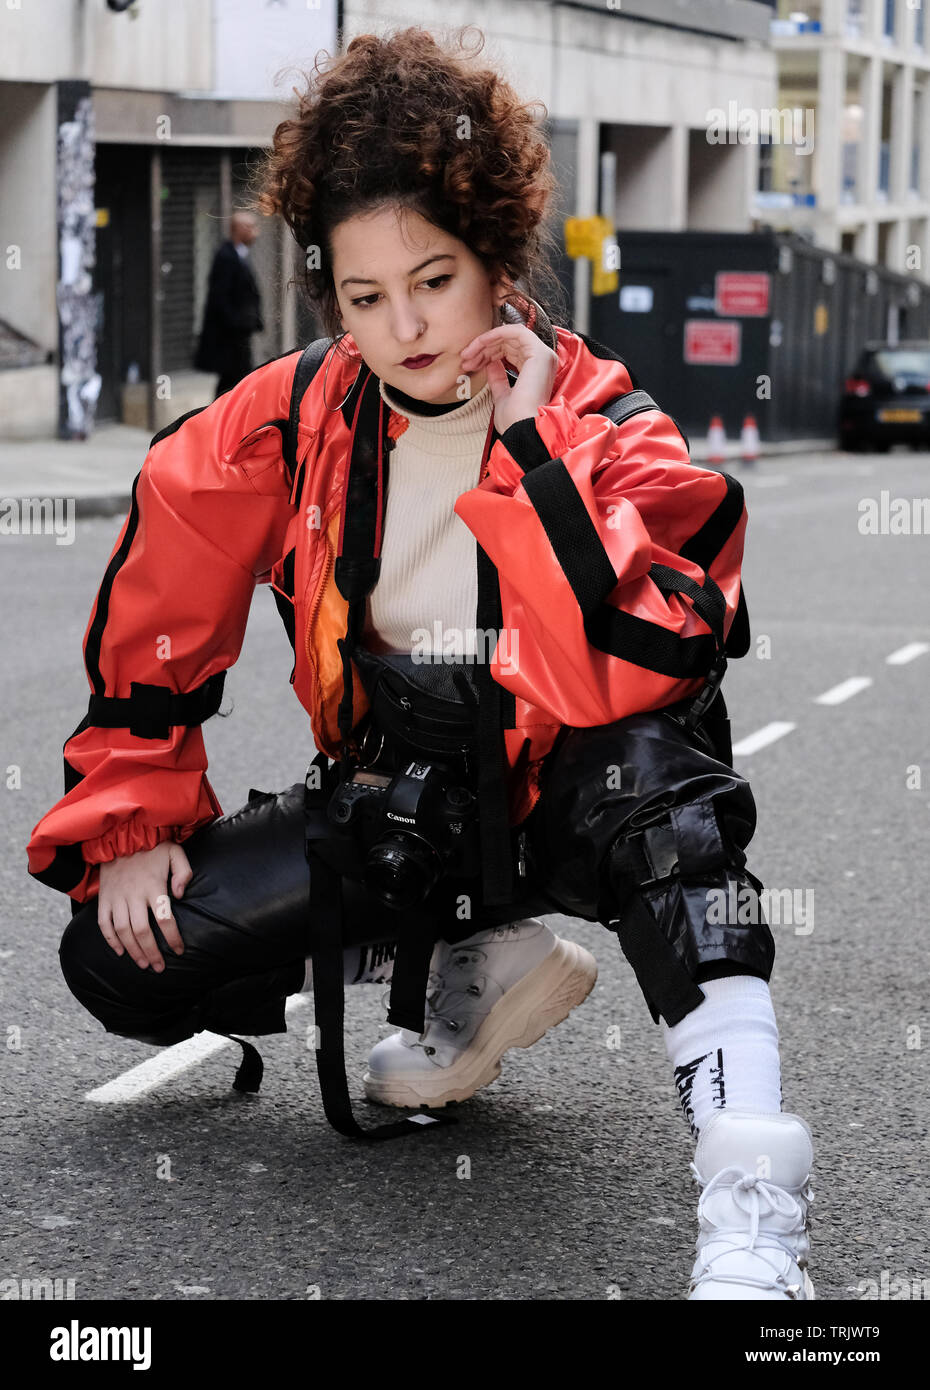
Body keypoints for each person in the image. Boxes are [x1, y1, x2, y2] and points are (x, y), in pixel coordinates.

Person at [27, 26, 814, 1300]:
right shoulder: (288, 415)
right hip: (408, 808)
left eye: (435, 281)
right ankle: (459, 958)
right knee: (117, 957)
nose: (404, 328)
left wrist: (535, 458)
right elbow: (167, 567)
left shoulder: (609, 423)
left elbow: (637, 668)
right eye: (363, 296)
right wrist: (133, 802)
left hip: (572, 796)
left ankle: (753, 1201)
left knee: (673, 808)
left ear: (496, 258)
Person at [194, 211, 264, 398]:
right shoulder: (226, 257)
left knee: (234, 382)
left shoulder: (239, 255)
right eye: (251, 228)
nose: (255, 233)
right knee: (233, 383)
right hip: (230, 337)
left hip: (238, 334)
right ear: (240, 229)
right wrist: (237, 323)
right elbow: (220, 297)